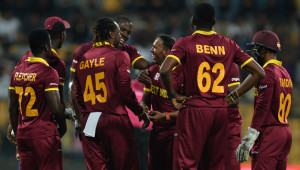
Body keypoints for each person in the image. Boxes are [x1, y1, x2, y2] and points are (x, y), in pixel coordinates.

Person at [159, 2, 265, 169]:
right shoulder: (229, 44)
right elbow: (259, 72)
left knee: (186, 164)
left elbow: (164, 70)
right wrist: (235, 95)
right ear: (214, 22)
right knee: (215, 165)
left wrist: (173, 96)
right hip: (220, 112)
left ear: (193, 20)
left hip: (196, 108)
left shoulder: (185, 43)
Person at [73, 17, 150, 170]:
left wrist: (81, 117)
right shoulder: (119, 55)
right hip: (114, 117)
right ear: (111, 33)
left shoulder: (84, 57)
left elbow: (77, 93)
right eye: (119, 32)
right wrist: (140, 113)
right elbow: (125, 90)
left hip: (90, 119)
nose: (124, 36)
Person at [8, 28, 67, 170]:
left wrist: (17, 134)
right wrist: (65, 121)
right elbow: (55, 108)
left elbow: (12, 108)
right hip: (44, 135)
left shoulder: (17, 71)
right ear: (47, 47)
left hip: (23, 135)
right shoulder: (48, 72)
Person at [235, 30, 293, 170]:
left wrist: (249, 138)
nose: (254, 52)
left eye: (256, 48)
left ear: (263, 50)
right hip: (285, 130)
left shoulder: (267, 73)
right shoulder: (284, 72)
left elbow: (262, 106)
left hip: (270, 133)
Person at [139, 35, 180, 170]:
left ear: (167, 52)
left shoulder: (181, 74)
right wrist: (143, 109)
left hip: (175, 134)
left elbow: (189, 111)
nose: (151, 50)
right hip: (157, 133)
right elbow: (145, 100)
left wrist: (164, 116)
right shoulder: (152, 70)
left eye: (155, 47)